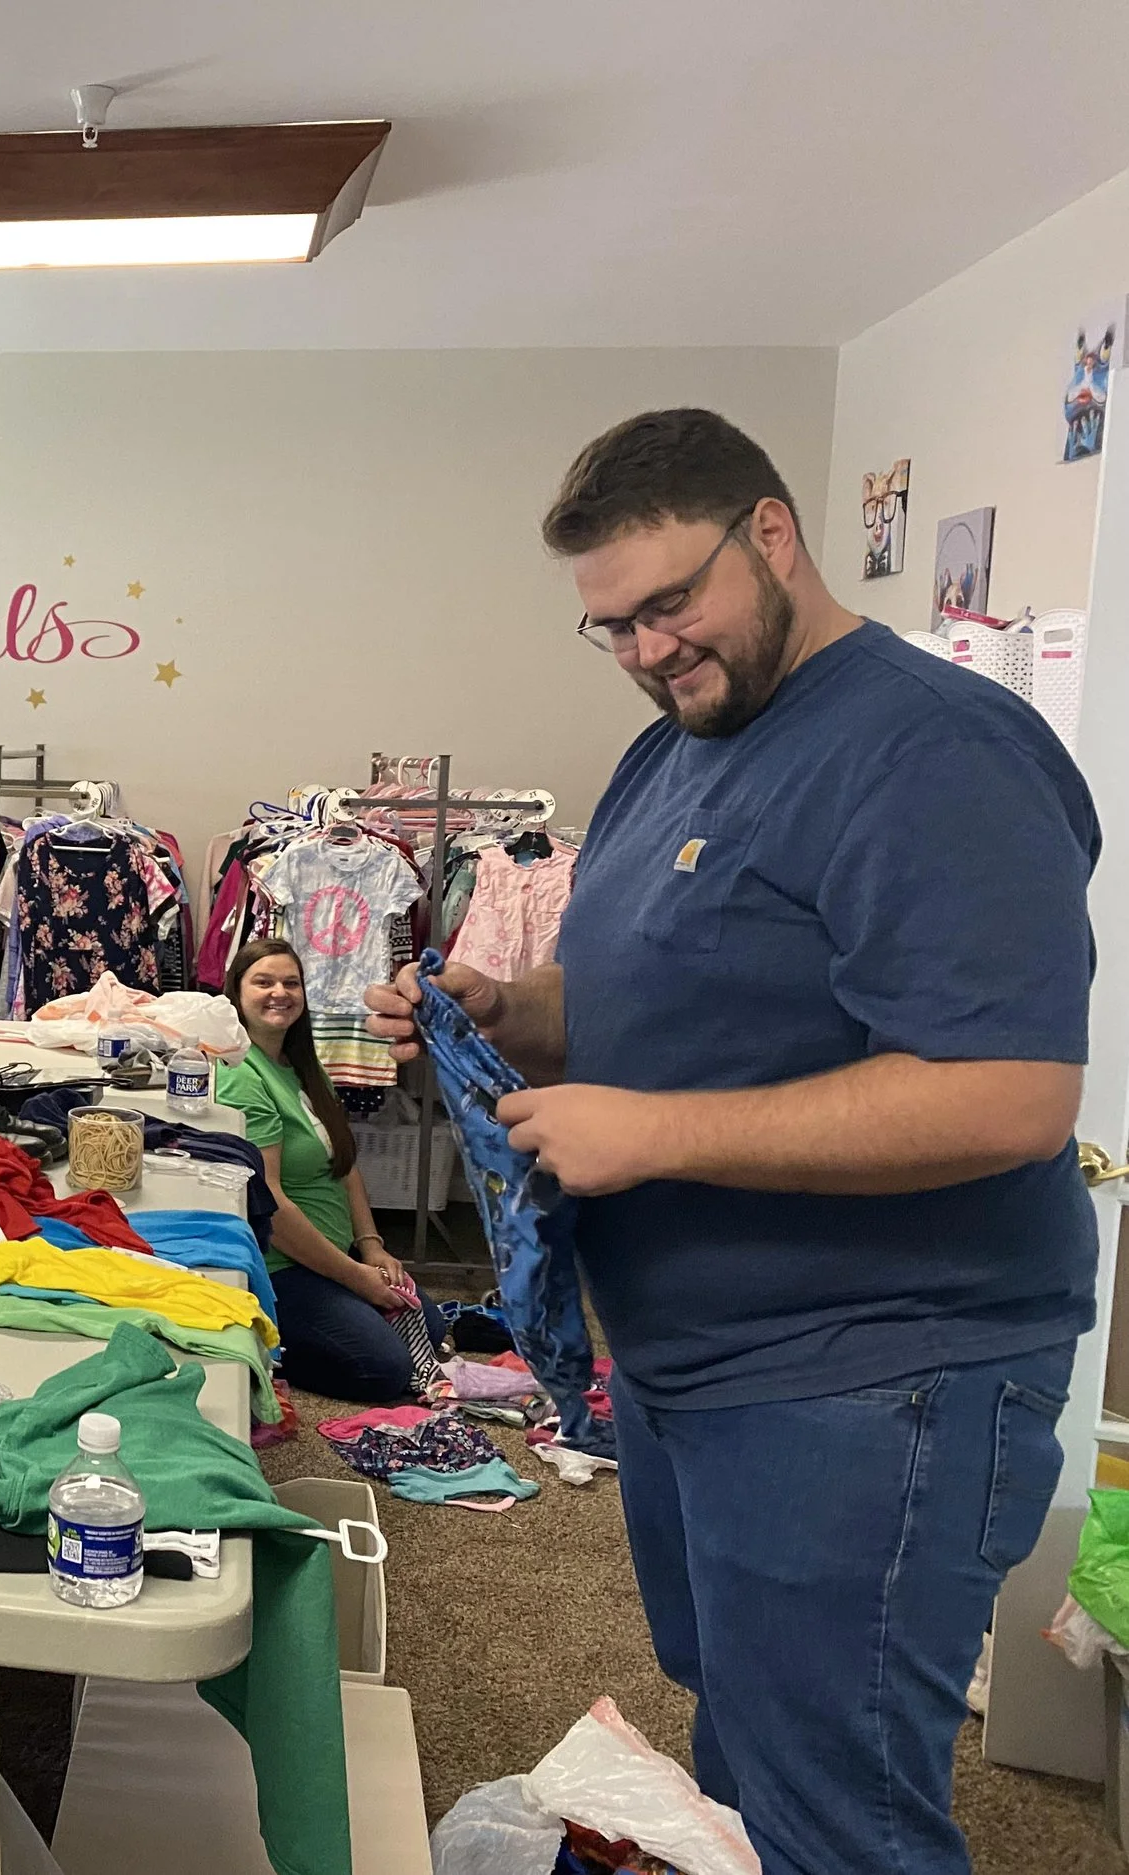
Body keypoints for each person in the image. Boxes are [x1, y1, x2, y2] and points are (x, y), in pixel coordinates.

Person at [366, 408, 1097, 1875]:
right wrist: (506, 1007)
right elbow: (646, 995)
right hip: (699, 1367)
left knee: (839, 1810)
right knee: (747, 1760)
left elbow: (1011, 1091)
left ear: (771, 533)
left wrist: (654, 1134)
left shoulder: (934, 747)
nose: (648, 649)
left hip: (874, 1376)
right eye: (612, 626)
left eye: (670, 602)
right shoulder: (675, 749)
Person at [215, 937, 444, 1401]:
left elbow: (344, 1165)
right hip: (282, 1268)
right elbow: (270, 1204)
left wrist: (371, 1247)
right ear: (236, 993)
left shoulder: (303, 1066)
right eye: (263, 982)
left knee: (431, 1326)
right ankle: (261, 1344)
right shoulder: (241, 1075)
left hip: (336, 1254)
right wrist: (356, 1278)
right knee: (384, 1370)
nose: (279, 993)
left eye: (291, 983)